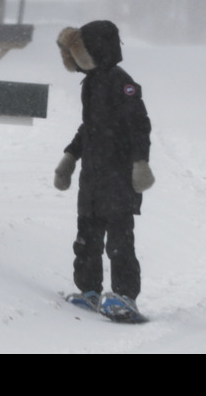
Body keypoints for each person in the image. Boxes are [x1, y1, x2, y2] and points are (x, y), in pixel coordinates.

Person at [53, 20, 155, 321]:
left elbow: (139, 125)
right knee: (87, 236)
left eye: (78, 51)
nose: (74, 59)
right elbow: (90, 128)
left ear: (96, 49)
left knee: (119, 240)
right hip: (93, 176)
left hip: (119, 175)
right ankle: (89, 291)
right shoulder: (92, 83)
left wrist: (140, 162)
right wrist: (70, 157)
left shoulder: (121, 82)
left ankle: (125, 296)